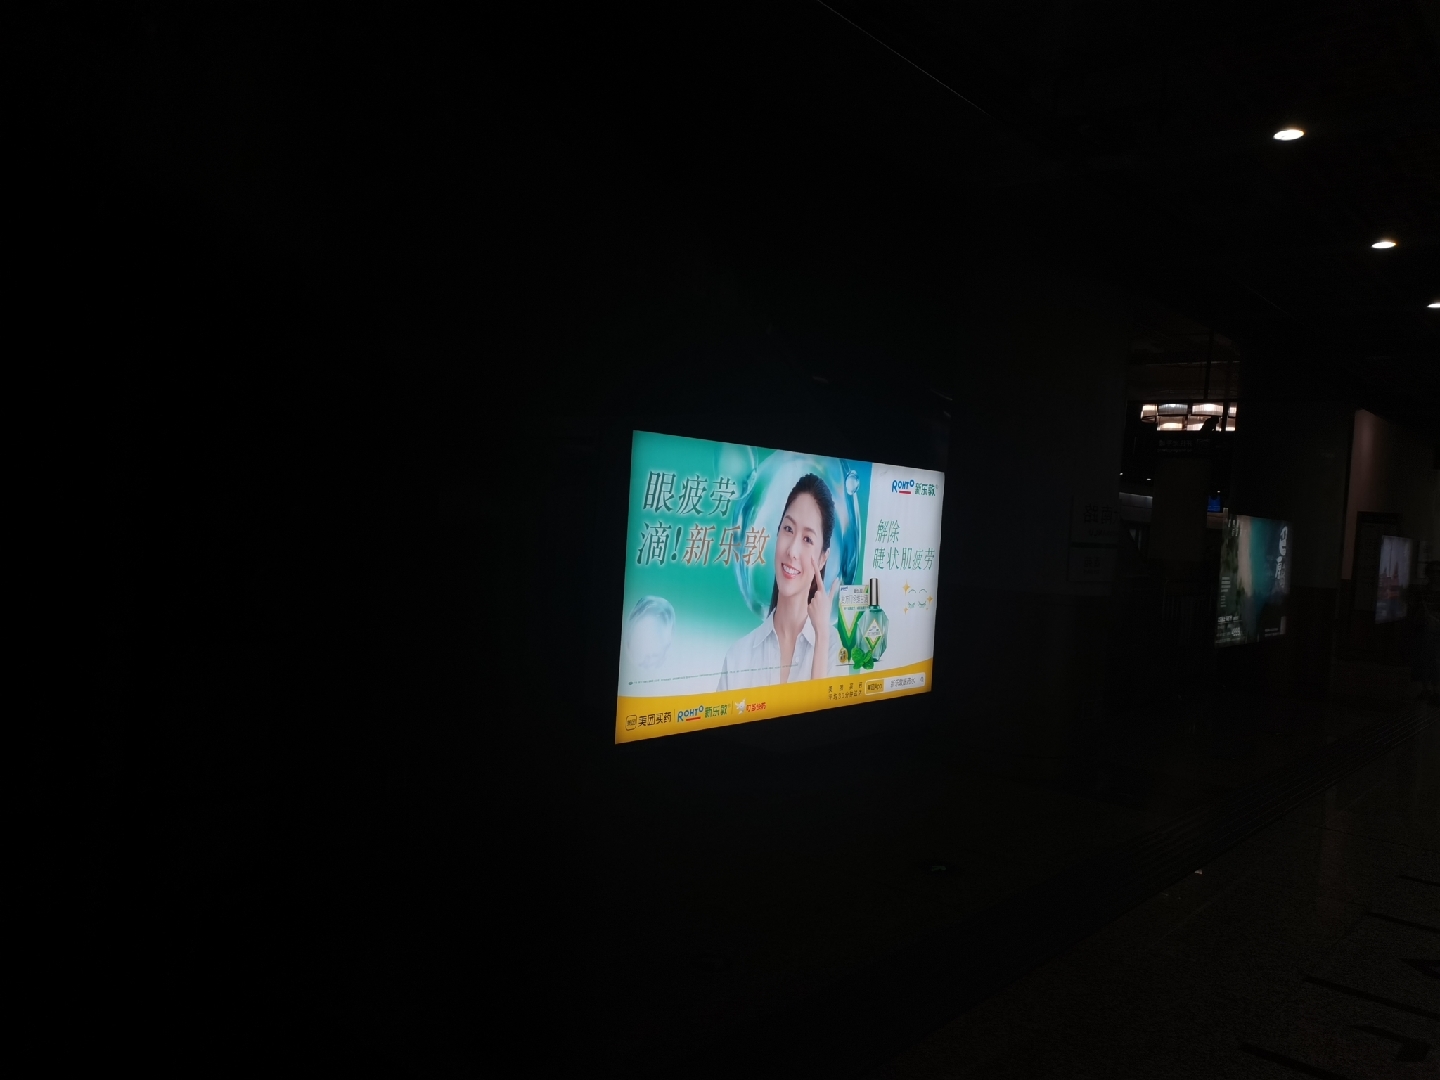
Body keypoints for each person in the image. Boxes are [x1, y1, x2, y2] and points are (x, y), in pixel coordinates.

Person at [717, 474, 841, 690]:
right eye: (788, 529)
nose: (792, 550)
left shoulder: (832, 646)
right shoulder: (738, 658)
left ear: (823, 558)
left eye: (808, 539)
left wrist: (821, 635)